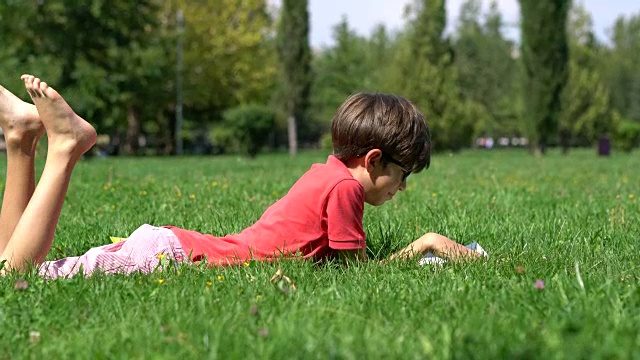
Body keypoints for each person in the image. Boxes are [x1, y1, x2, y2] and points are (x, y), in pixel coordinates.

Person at [0, 75, 479, 279]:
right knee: (18, 278)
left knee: (11, 272)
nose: (402, 188)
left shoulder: (325, 175)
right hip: (166, 259)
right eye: (402, 175)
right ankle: (65, 148)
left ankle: (21, 141)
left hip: (166, 247)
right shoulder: (346, 190)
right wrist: (427, 243)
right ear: (373, 160)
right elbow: (356, 276)